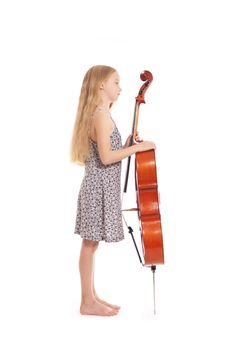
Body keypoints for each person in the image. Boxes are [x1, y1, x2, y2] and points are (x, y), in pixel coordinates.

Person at [70, 65, 156, 316]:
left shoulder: (101, 114)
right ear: (101, 86)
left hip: (99, 189)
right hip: (97, 190)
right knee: (89, 244)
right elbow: (107, 158)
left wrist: (127, 143)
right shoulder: (101, 115)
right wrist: (136, 149)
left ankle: (91, 296)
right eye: (115, 83)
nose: (120, 88)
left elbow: (107, 149)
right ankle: (87, 301)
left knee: (91, 244)